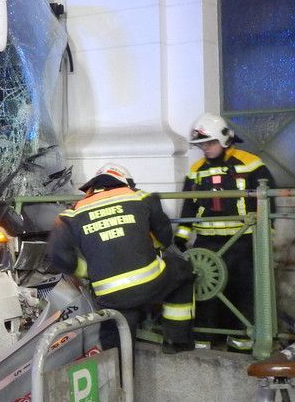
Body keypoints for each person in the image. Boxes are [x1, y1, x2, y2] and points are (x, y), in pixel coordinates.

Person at [46, 163, 195, 353]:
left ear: (92, 187)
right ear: (125, 182)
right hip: (151, 284)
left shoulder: (71, 213)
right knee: (183, 271)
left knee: (118, 344)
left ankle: (120, 368)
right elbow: (164, 236)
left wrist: (87, 271)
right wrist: (151, 247)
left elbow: (58, 256)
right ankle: (176, 341)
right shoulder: (139, 196)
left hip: (111, 297)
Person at [176, 112, 276, 351]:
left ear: (224, 139)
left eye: (209, 143)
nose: (205, 148)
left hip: (242, 241)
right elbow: (188, 205)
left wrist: (266, 236)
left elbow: (268, 202)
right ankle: (205, 338)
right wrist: (180, 237)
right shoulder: (195, 170)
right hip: (206, 242)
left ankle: (242, 340)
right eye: (201, 144)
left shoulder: (250, 163)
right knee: (204, 290)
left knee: (244, 289)